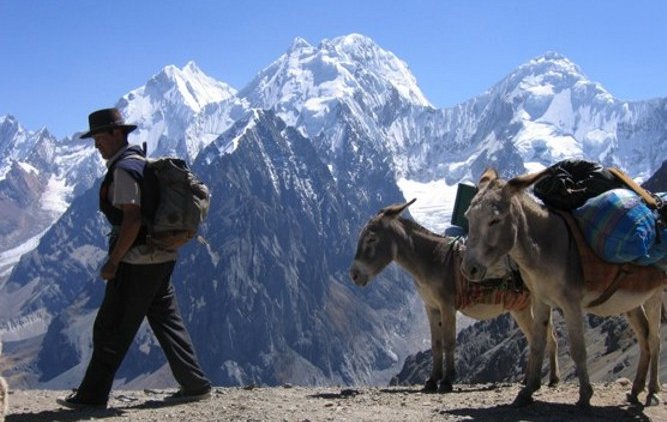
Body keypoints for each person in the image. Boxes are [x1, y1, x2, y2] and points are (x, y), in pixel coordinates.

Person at [57, 108, 211, 409]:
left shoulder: (124, 170)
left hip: (138, 261)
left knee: (110, 327)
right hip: (163, 255)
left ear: (116, 134)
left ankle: (91, 397)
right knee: (167, 321)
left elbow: (132, 219)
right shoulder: (140, 162)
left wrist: (114, 261)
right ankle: (195, 385)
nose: (96, 145)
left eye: (99, 137)